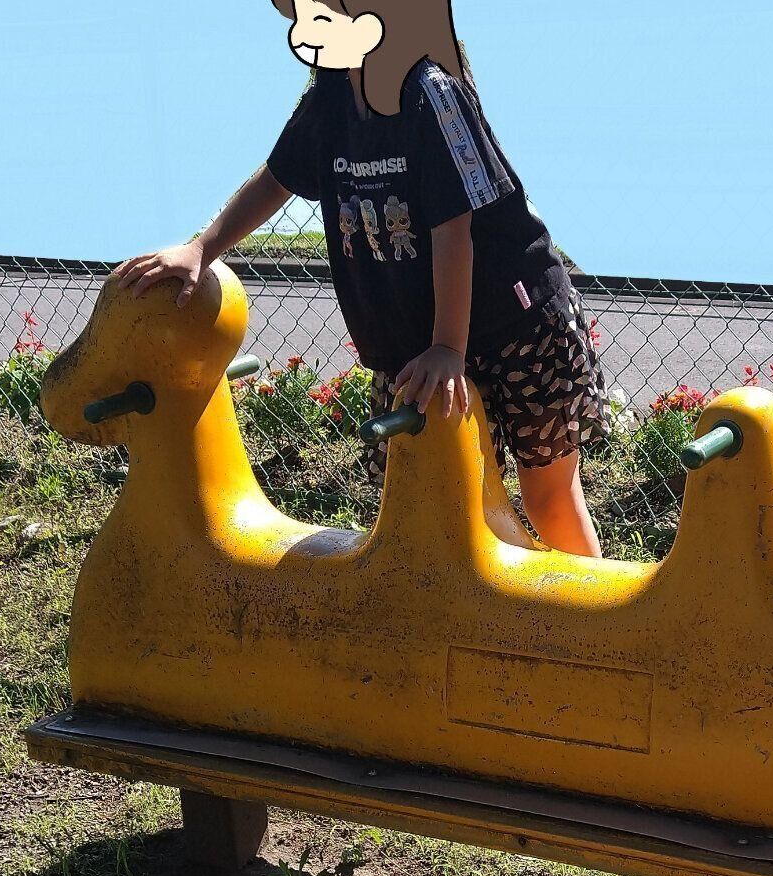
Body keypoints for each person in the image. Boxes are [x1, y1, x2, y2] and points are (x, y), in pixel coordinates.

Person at [117, 0, 606, 556]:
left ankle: (598, 611)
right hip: (416, 346)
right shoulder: (330, 98)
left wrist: (449, 347)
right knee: (446, 505)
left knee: (548, 496)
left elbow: (454, 228)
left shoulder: (431, 93)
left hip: (515, 325)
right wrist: (201, 249)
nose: (304, 32)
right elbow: (277, 179)